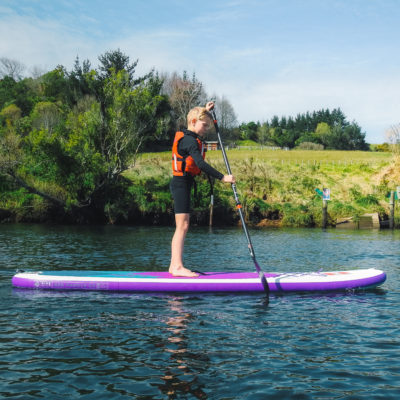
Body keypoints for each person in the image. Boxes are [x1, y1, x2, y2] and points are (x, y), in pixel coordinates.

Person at [169, 101, 235, 277]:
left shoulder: (190, 138)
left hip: (184, 183)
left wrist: (207, 110)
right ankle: (176, 266)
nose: (206, 129)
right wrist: (223, 177)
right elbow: (200, 163)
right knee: (182, 226)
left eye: (208, 125)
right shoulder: (189, 141)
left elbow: (197, 115)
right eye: (204, 125)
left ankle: (174, 266)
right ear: (192, 122)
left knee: (183, 225)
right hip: (181, 184)